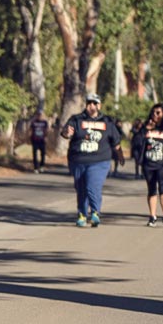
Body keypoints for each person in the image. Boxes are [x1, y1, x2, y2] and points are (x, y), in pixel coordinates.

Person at [59, 93, 124, 227]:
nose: (91, 106)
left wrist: (120, 155)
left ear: (99, 105)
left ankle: (95, 212)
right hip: (78, 160)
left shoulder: (107, 121)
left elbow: (116, 142)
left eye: (94, 103)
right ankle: (82, 214)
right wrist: (67, 132)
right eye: (89, 103)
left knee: (92, 185)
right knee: (81, 188)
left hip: (100, 161)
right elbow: (66, 133)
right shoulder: (76, 119)